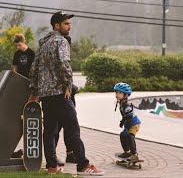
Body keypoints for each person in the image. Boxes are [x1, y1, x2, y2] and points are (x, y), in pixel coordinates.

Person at [29, 11, 104, 175]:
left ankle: (51, 166)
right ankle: (83, 165)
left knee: (49, 131)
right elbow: (64, 64)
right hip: (60, 94)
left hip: (46, 96)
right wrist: (68, 85)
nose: (69, 26)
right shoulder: (60, 41)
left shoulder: (43, 43)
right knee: (72, 128)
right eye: (66, 23)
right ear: (57, 25)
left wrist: (34, 92)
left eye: (69, 23)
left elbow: (33, 69)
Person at [54, 35, 78, 165]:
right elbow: (61, 78)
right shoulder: (59, 59)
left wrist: (72, 87)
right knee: (56, 129)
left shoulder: (66, 58)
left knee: (69, 128)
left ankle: (70, 154)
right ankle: (53, 157)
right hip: (60, 98)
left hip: (69, 98)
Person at [114, 83, 141, 161]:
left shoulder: (127, 105)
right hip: (128, 122)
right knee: (122, 135)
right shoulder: (121, 103)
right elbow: (125, 116)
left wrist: (126, 127)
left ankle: (134, 154)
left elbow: (129, 117)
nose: (117, 94)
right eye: (116, 92)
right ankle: (127, 152)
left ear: (126, 95)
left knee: (129, 136)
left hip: (134, 123)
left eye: (120, 93)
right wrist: (122, 122)